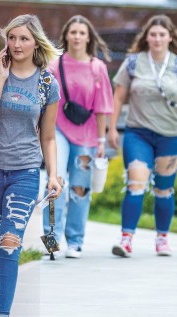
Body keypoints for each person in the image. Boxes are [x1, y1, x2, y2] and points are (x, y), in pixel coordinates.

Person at [0, 14, 62, 317]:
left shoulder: (47, 84)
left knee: (10, 243)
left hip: (24, 173)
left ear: (36, 42)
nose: (17, 45)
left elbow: (48, 136)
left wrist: (52, 174)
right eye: (12, 38)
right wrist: (1, 78)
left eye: (24, 38)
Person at [108, 14, 177, 258]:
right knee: (136, 182)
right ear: (146, 37)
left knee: (163, 189)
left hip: (171, 134)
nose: (157, 38)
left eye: (162, 34)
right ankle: (126, 239)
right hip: (138, 132)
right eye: (153, 34)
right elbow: (118, 97)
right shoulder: (133, 63)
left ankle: (162, 239)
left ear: (170, 37)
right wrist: (111, 128)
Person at [42, 15, 114, 259]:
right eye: (73, 32)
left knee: (80, 189)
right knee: (55, 183)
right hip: (58, 131)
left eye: (82, 33)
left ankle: (75, 241)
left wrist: (102, 142)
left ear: (89, 37)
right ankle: (51, 240)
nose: (77, 37)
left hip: (87, 136)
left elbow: (103, 107)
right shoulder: (54, 65)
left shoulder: (98, 68)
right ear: (66, 35)